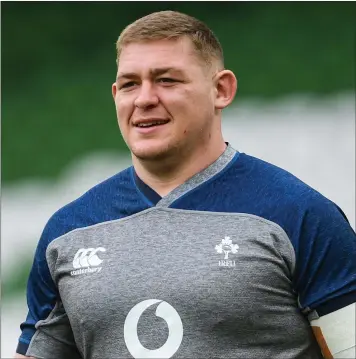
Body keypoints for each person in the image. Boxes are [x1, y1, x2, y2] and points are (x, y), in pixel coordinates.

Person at [15, 10, 355, 359]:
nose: (144, 99)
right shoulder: (69, 232)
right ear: (116, 94)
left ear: (221, 89)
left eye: (167, 80)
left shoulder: (299, 216)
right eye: (130, 84)